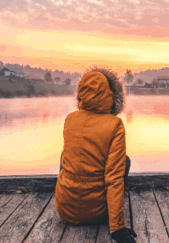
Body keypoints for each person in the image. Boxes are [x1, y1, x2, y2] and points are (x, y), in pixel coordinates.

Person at [56, 68, 137, 243]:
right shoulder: (115, 124)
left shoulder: (70, 119)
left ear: (80, 94)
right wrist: (117, 227)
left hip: (65, 211)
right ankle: (114, 212)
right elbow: (114, 177)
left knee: (65, 155)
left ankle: (67, 197)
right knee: (124, 161)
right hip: (97, 213)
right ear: (111, 94)